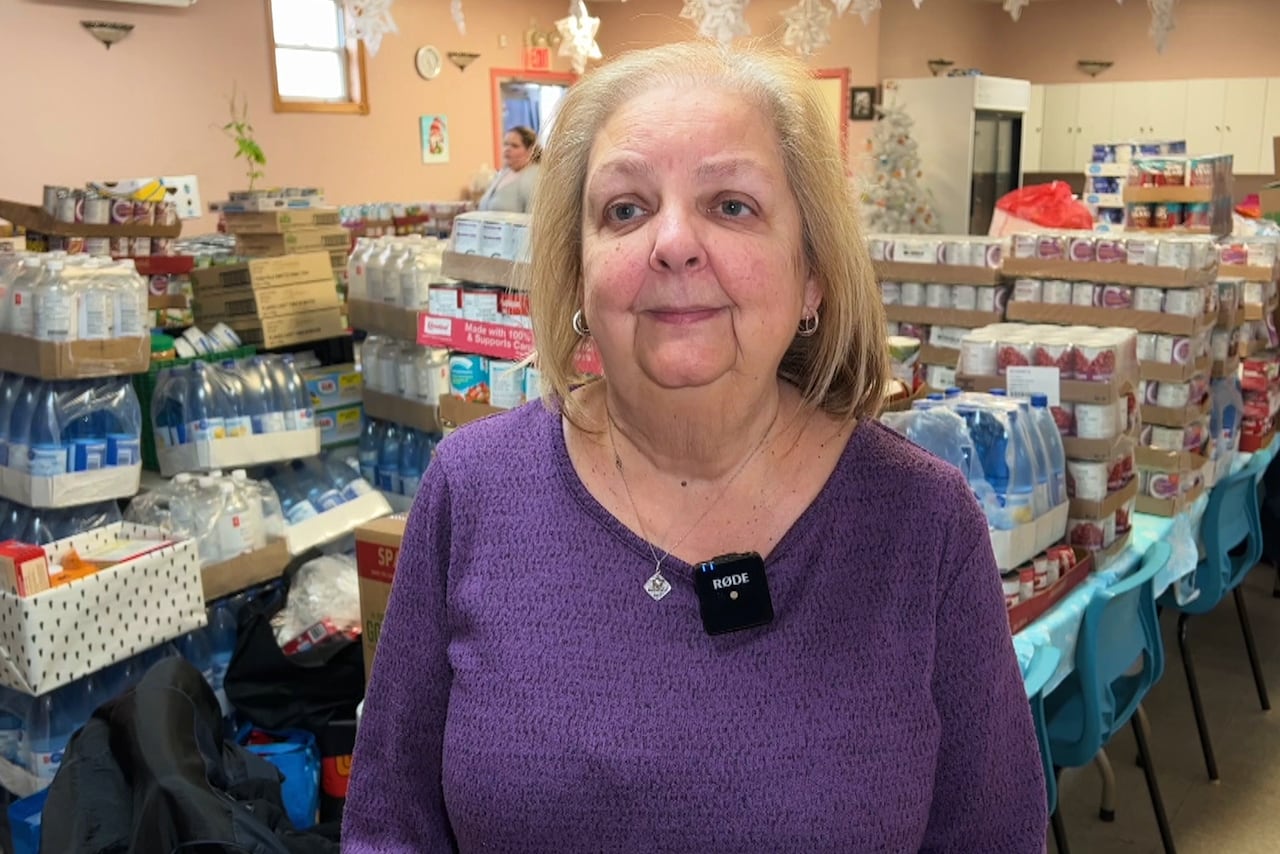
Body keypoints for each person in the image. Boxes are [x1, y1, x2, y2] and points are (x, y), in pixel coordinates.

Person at [343, 41, 1046, 853]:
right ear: (578, 273)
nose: (673, 242)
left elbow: (993, 836)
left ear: (812, 273)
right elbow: (390, 830)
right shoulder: (472, 491)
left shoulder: (922, 523)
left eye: (732, 205)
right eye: (626, 210)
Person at [476, 125, 541, 213]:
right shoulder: (504, 173)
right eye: (505, 144)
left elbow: (534, 216)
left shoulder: (534, 175)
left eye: (515, 146)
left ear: (530, 150)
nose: (507, 149)